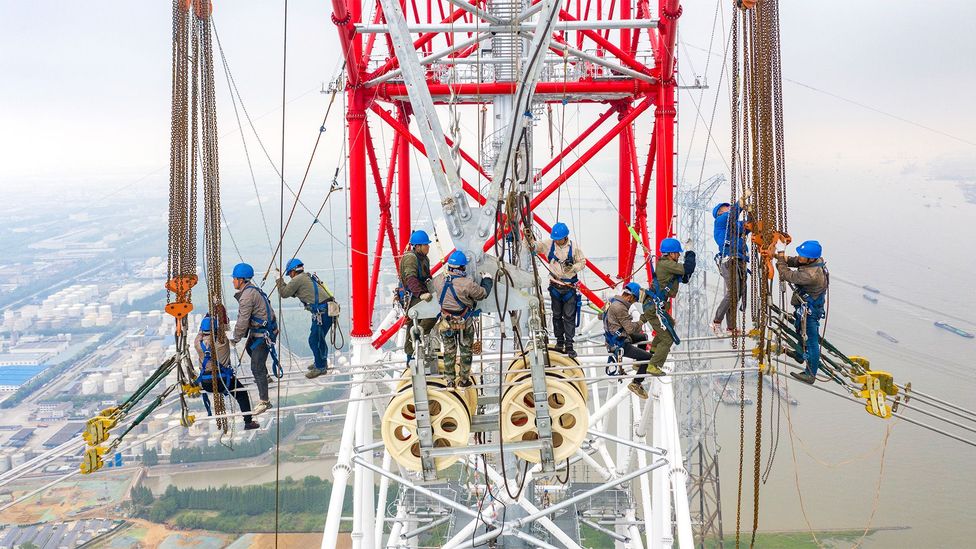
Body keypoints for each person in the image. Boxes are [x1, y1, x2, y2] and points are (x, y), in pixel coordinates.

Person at [431, 251, 493, 387]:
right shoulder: (467, 284)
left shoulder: (438, 280)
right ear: (462, 268)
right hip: (464, 321)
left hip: (445, 322)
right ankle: (464, 380)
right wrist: (487, 280)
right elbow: (482, 294)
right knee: (465, 350)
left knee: (449, 351)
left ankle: (450, 381)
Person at [641, 238, 697, 377]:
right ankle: (654, 366)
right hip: (654, 307)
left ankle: (653, 353)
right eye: (677, 253)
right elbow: (688, 268)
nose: (679, 255)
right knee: (667, 338)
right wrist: (690, 252)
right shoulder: (666, 264)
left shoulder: (667, 265)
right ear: (671, 253)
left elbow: (685, 277)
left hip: (656, 305)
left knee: (669, 325)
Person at [775, 240, 829, 385]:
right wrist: (777, 255)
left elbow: (786, 274)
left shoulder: (810, 276)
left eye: (802, 255)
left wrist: (780, 254)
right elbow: (795, 261)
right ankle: (799, 355)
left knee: (811, 341)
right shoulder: (815, 261)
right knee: (800, 330)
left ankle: (810, 374)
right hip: (807, 307)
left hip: (810, 311)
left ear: (810, 258)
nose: (799, 257)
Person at [530, 222, 586, 357]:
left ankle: (569, 344)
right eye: (555, 238)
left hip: (569, 288)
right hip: (555, 285)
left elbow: (582, 262)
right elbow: (537, 247)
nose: (556, 240)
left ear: (565, 237)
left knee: (568, 317)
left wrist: (573, 268)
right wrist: (530, 241)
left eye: (559, 238)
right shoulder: (550, 244)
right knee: (556, 316)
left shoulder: (574, 248)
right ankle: (559, 341)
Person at [194, 315, 260, 430]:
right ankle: (248, 422)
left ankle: (248, 421)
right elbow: (224, 328)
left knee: (238, 392)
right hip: (224, 381)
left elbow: (200, 333)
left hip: (206, 383)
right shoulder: (222, 341)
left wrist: (206, 321)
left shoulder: (198, 344)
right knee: (242, 394)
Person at [276, 258, 336, 379]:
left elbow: (284, 293)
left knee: (314, 340)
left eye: (290, 274)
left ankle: (320, 367)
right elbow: (292, 292)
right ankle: (321, 363)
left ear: (293, 271)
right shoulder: (305, 277)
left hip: (322, 313)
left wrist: (279, 279)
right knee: (319, 339)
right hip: (326, 311)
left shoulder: (298, 279)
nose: (290, 277)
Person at [230, 262, 277, 415]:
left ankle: (264, 401)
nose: (233, 281)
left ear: (241, 280)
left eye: (235, 278)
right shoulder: (252, 291)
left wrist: (235, 338)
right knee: (250, 348)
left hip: (263, 334)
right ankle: (265, 377)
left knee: (256, 367)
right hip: (263, 331)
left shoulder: (246, 297)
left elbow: (243, 320)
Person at [603, 282, 662, 399]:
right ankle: (636, 383)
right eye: (634, 300)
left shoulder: (612, 302)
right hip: (619, 343)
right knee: (649, 358)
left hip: (615, 337)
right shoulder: (620, 307)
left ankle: (637, 364)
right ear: (629, 297)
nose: (633, 303)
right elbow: (630, 329)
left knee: (643, 337)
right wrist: (641, 322)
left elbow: (601, 316)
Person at [711, 190, 751, 335]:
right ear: (720, 212)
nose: (729, 208)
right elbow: (731, 215)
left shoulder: (735, 226)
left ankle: (731, 327)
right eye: (726, 208)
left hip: (739, 261)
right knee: (733, 292)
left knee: (737, 294)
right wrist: (741, 202)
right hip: (729, 261)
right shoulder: (720, 221)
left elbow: (748, 226)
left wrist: (751, 211)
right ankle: (716, 322)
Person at [399, 230, 437, 363]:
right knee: (428, 314)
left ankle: (414, 348)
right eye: (425, 244)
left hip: (420, 292)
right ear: (417, 246)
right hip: (413, 295)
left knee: (415, 323)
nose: (428, 247)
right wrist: (421, 294)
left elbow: (426, 277)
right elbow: (411, 278)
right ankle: (411, 353)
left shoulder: (424, 258)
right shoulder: (411, 258)